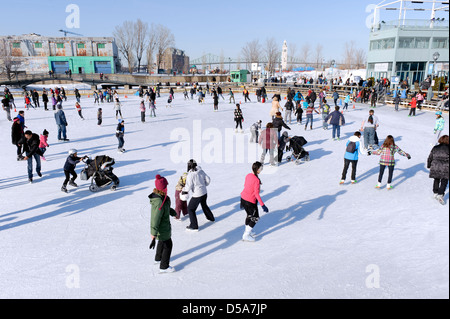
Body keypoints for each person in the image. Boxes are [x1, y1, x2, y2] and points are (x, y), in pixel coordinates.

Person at [149, 174, 177, 273]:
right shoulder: (159, 202)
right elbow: (155, 218)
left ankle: (158, 259)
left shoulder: (163, 198)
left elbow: (166, 209)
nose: (167, 188)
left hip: (163, 227)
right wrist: (153, 233)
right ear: (163, 188)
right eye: (166, 187)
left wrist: (172, 212)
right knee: (168, 244)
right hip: (162, 228)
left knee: (161, 242)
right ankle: (164, 266)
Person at [240, 162, 269, 242]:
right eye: (261, 169)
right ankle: (246, 235)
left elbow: (245, 185)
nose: (261, 170)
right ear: (257, 169)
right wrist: (263, 205)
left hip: (243, 198)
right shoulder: (256, 180)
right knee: (255, 218)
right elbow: (256, 194)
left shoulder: (248, 175)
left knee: (249, 215)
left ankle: (248, 230)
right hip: (250, 201)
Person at [182, 159, 215, 231]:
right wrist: (204, 185)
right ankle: (211, 218)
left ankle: (194, 226)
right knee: (204, 204)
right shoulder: (201, 171)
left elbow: (188, 186)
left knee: (190, 209)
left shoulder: (190, 175)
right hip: (204, 192)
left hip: (197, 194)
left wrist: (184, 191)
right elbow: (208, 179)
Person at [427, 135, 449, 205]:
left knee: (436, 179)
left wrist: (429, 165)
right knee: (444, 180)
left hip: (435, 166)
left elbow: (430, 157)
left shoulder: (435, 148)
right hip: (445, 167)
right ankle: (440, 194)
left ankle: (435, 192)